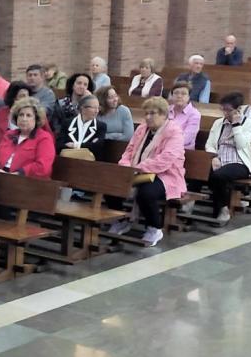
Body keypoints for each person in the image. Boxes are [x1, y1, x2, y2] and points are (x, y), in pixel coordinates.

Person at [110, 96, 184, 247]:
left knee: (146, 193)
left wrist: (138, 168)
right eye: (146, 113)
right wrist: (125, 166)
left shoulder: (174, 131)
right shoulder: (142, 128)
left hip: (165, 175)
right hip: (137, 170)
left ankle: (154, 227)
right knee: (111, 184)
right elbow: (129, 151)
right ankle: (122, 219)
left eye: (153, 113)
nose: (148, 117)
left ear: (163, 114)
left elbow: (166, 158)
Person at [203, 92, 251, 224]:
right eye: (224, 109)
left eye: (229, 110)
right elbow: (209, 144)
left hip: (239, 162)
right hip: (219, 159)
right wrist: (214, 157)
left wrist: (236, 126)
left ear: (238, 109)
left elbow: (241, 145)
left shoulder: (249, 124)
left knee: (218, 176)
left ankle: (222, 209)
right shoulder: (218, 123)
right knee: (201, 172)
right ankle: (190, 208)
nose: (225, 113)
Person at [0, 100, 56, 178]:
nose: (24, 119)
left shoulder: (44, 138)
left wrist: (18, 174)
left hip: (27, 182)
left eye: (28, 115)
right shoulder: (9, 134)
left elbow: (43, 167)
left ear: (36, 119)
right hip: (1, 175)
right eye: (21, 115)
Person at [58, 93, 113, 160]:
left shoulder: (101, 126)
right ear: (83, 108)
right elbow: (59, 145)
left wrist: (75, 145)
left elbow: (97, 147)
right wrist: (87, 146)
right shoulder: (67, 123)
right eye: (94, 108)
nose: (97, 111)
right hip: (67, 162)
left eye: (98, 108)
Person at [0, 81, 32, 146]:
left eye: (28, 96)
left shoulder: (36, 113)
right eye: (22, 96)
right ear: (13, 98)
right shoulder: (2, 112)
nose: (26, 99)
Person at [166, 80, 201, 149]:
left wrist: (165, 143)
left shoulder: (194, 114)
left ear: (189, 97)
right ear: (172, 95)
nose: (179, 96)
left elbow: (186, 139)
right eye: (176, 93)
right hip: (162, 147)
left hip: (183, 151)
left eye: (183, 93)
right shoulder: (166, 110)